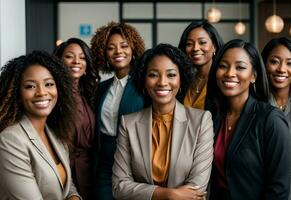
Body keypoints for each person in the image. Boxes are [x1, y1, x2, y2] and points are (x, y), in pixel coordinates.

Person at [112, 43, 214, 200]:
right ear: (144, 81)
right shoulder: (128, 124)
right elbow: (120, 186)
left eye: (171, 75)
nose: (162, 82)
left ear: (181, 80)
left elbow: (197, 188)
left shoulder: (201, 121)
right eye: (153, 75)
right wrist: (169, 194)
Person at [206, 39, 291, 200]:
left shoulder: (270, 119)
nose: (230, 73)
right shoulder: (213, 117)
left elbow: (278, 189)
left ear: (253, 76)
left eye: (240, 67)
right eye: (223, 66)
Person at [0, 51, 81, 200]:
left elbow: (67, 186)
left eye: (49, 84)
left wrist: (74, 197)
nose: (42, 92)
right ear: (16, 93)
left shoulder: (56, 133)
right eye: (30, 86)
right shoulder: (10, 140)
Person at [90, 21, 146, 199]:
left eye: (124, 46)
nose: (118, 52)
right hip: (104, 161)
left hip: (133, 160)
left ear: (133, 49)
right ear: (104, 53)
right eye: (111, 48)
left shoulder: (143, 86)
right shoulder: (101, 88)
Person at [53, 38, 100, 200]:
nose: (76, 61)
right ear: (58, 61)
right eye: (69, 56)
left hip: (89, 171)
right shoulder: (51, 94)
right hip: (60, 169)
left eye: (82, 57)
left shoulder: (91, 95)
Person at [261, 37, 291, 200]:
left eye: (290, 63)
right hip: (263, 190)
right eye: (275, 61)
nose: (282, 69)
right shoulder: (253, 105)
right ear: (263, 64)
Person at [178, 20, 223, 109]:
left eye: (202, 42)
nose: (195, 48)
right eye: (189, 44)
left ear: (214, 46)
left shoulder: (221, 80)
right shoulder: (185, 81)